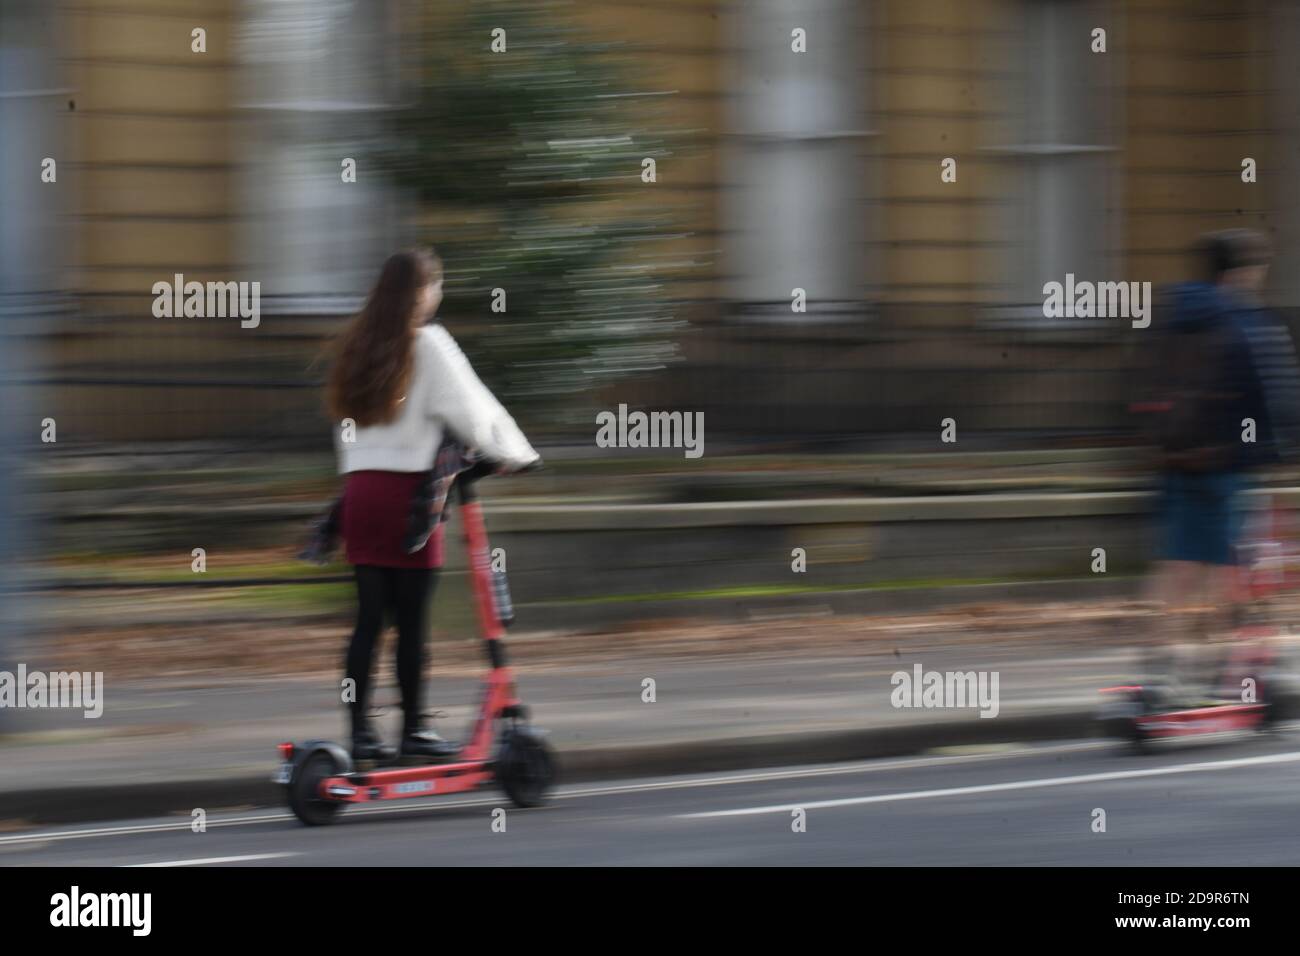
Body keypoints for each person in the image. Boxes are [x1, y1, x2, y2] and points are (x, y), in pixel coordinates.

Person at [325, 248, 539, 762]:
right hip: (407, 502)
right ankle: (414, 730)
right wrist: (516, 454)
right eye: (435, 286)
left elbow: (345, 430)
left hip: (359, 497)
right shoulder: (430, 344)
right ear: (421, 292)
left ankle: (359, 735)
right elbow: (472, 410)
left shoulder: (357, 347)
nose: (437, 296)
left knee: (369, 621)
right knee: (412, 623)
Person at [1144, 229, 1298, 698]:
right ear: (1243, 272)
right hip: (1230, 464)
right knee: (1231, 567)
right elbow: (1279, 397)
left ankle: (1160, 669)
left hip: (1176, 461)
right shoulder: (1249, 321)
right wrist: (1281, 449)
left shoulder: (1172, 316)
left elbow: (1145, 384)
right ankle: (1227, 671)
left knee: (1177, 567)